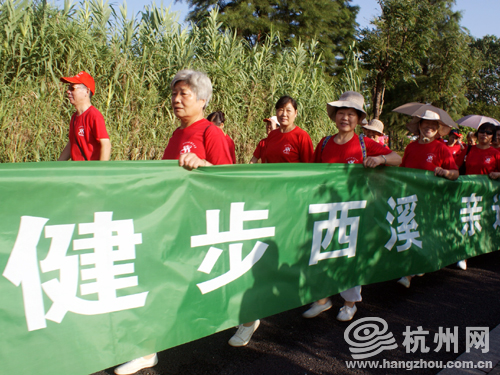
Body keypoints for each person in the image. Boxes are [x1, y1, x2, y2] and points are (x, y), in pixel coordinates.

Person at [114, 70, 232, 375]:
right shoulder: (177, 135)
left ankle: (248, 317)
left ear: (203, 100)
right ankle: (146, 349)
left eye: (185, 94)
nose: (177, 100)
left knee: (224, 281)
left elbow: (231, 183)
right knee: (157, 278)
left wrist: (205, 165)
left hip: (204, 226)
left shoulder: (212, 134)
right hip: (177, 223)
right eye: (174, 94)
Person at [302, 91, 402, 322]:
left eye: (350, 114)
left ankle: (349, 303)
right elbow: (312, 173)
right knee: (321, 253)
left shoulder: (364, 144)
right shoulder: (325, 142)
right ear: (334, 117)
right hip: (326, 208)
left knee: (349, 257)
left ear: (358, 120)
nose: (344, 118)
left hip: (354, 212)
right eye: (340, 113)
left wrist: (380, 159)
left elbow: (397, 158)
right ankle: (322, 299)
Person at [228, 96, 313, 348]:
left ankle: (309, 295)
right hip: (268, 204)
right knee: (260, 254)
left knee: (287, 251)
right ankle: (250, 317)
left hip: (292, 204)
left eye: (288, 110)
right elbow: (260, 167)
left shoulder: (301, 137)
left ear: (296, 113)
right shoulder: (270, 139)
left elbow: (310, 171)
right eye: (280, 110)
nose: (284, 114)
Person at [397, 110, 459, 288]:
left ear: (438, 128)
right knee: (410, 232)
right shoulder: (411, 147)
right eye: (425, 123)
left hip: (430, 201)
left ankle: (410, 273)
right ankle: (412, 267)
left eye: (433, 124)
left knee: (422, 233)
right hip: (409, 198)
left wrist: (445, 172)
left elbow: (455, 174)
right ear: (419, 126)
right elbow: (401, 170)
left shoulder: (441, 148)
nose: (429, 127)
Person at [455, 122, 500, 270]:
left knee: (482, 223)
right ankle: (464, 255)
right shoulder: (468, 149)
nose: (484, 135)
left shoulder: (496, 153)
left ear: (492, 136)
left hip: (486, 197)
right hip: (467, 194)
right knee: (466, 223)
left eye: (488, 132)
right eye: (481, 131)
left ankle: (481, 249)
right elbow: (454, 166)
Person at [58, 71, 111, 161]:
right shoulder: (75, 117)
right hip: (77, 171)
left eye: (72, 88)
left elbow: (106, 144)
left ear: (86, 91)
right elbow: (72, 143)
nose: (68, 91)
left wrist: (101, 171)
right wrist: (57, 166)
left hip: (90, 172)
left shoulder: (94, 115)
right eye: (68, 88)